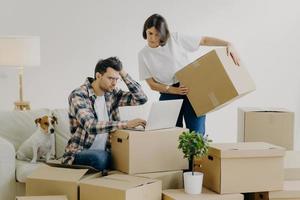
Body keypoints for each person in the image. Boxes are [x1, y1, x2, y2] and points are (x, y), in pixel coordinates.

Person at [138, 14, 240, 135]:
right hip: (168, 93)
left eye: (157, 34)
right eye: (150, 33)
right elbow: (152, 84)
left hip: (191, 88)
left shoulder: (174, 38)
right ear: (145, 31)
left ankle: (197, 154)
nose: (153, 38)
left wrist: (228, 43)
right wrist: (173, 90)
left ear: (163, 33)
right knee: (171, 134)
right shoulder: (143, 54)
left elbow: (203, 40)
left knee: (196, 133)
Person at [62, 57, 147, 171]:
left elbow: (141, 98)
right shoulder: (79, 95)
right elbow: (90, 126)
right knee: (100, 158)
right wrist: (126, 124)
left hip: (107, 151)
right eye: (111, 78)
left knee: (139, 155)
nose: (114, 83)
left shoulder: (112, 94)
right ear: (98, 76)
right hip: (80, 153)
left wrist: (123, 73)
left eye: (117, 79)